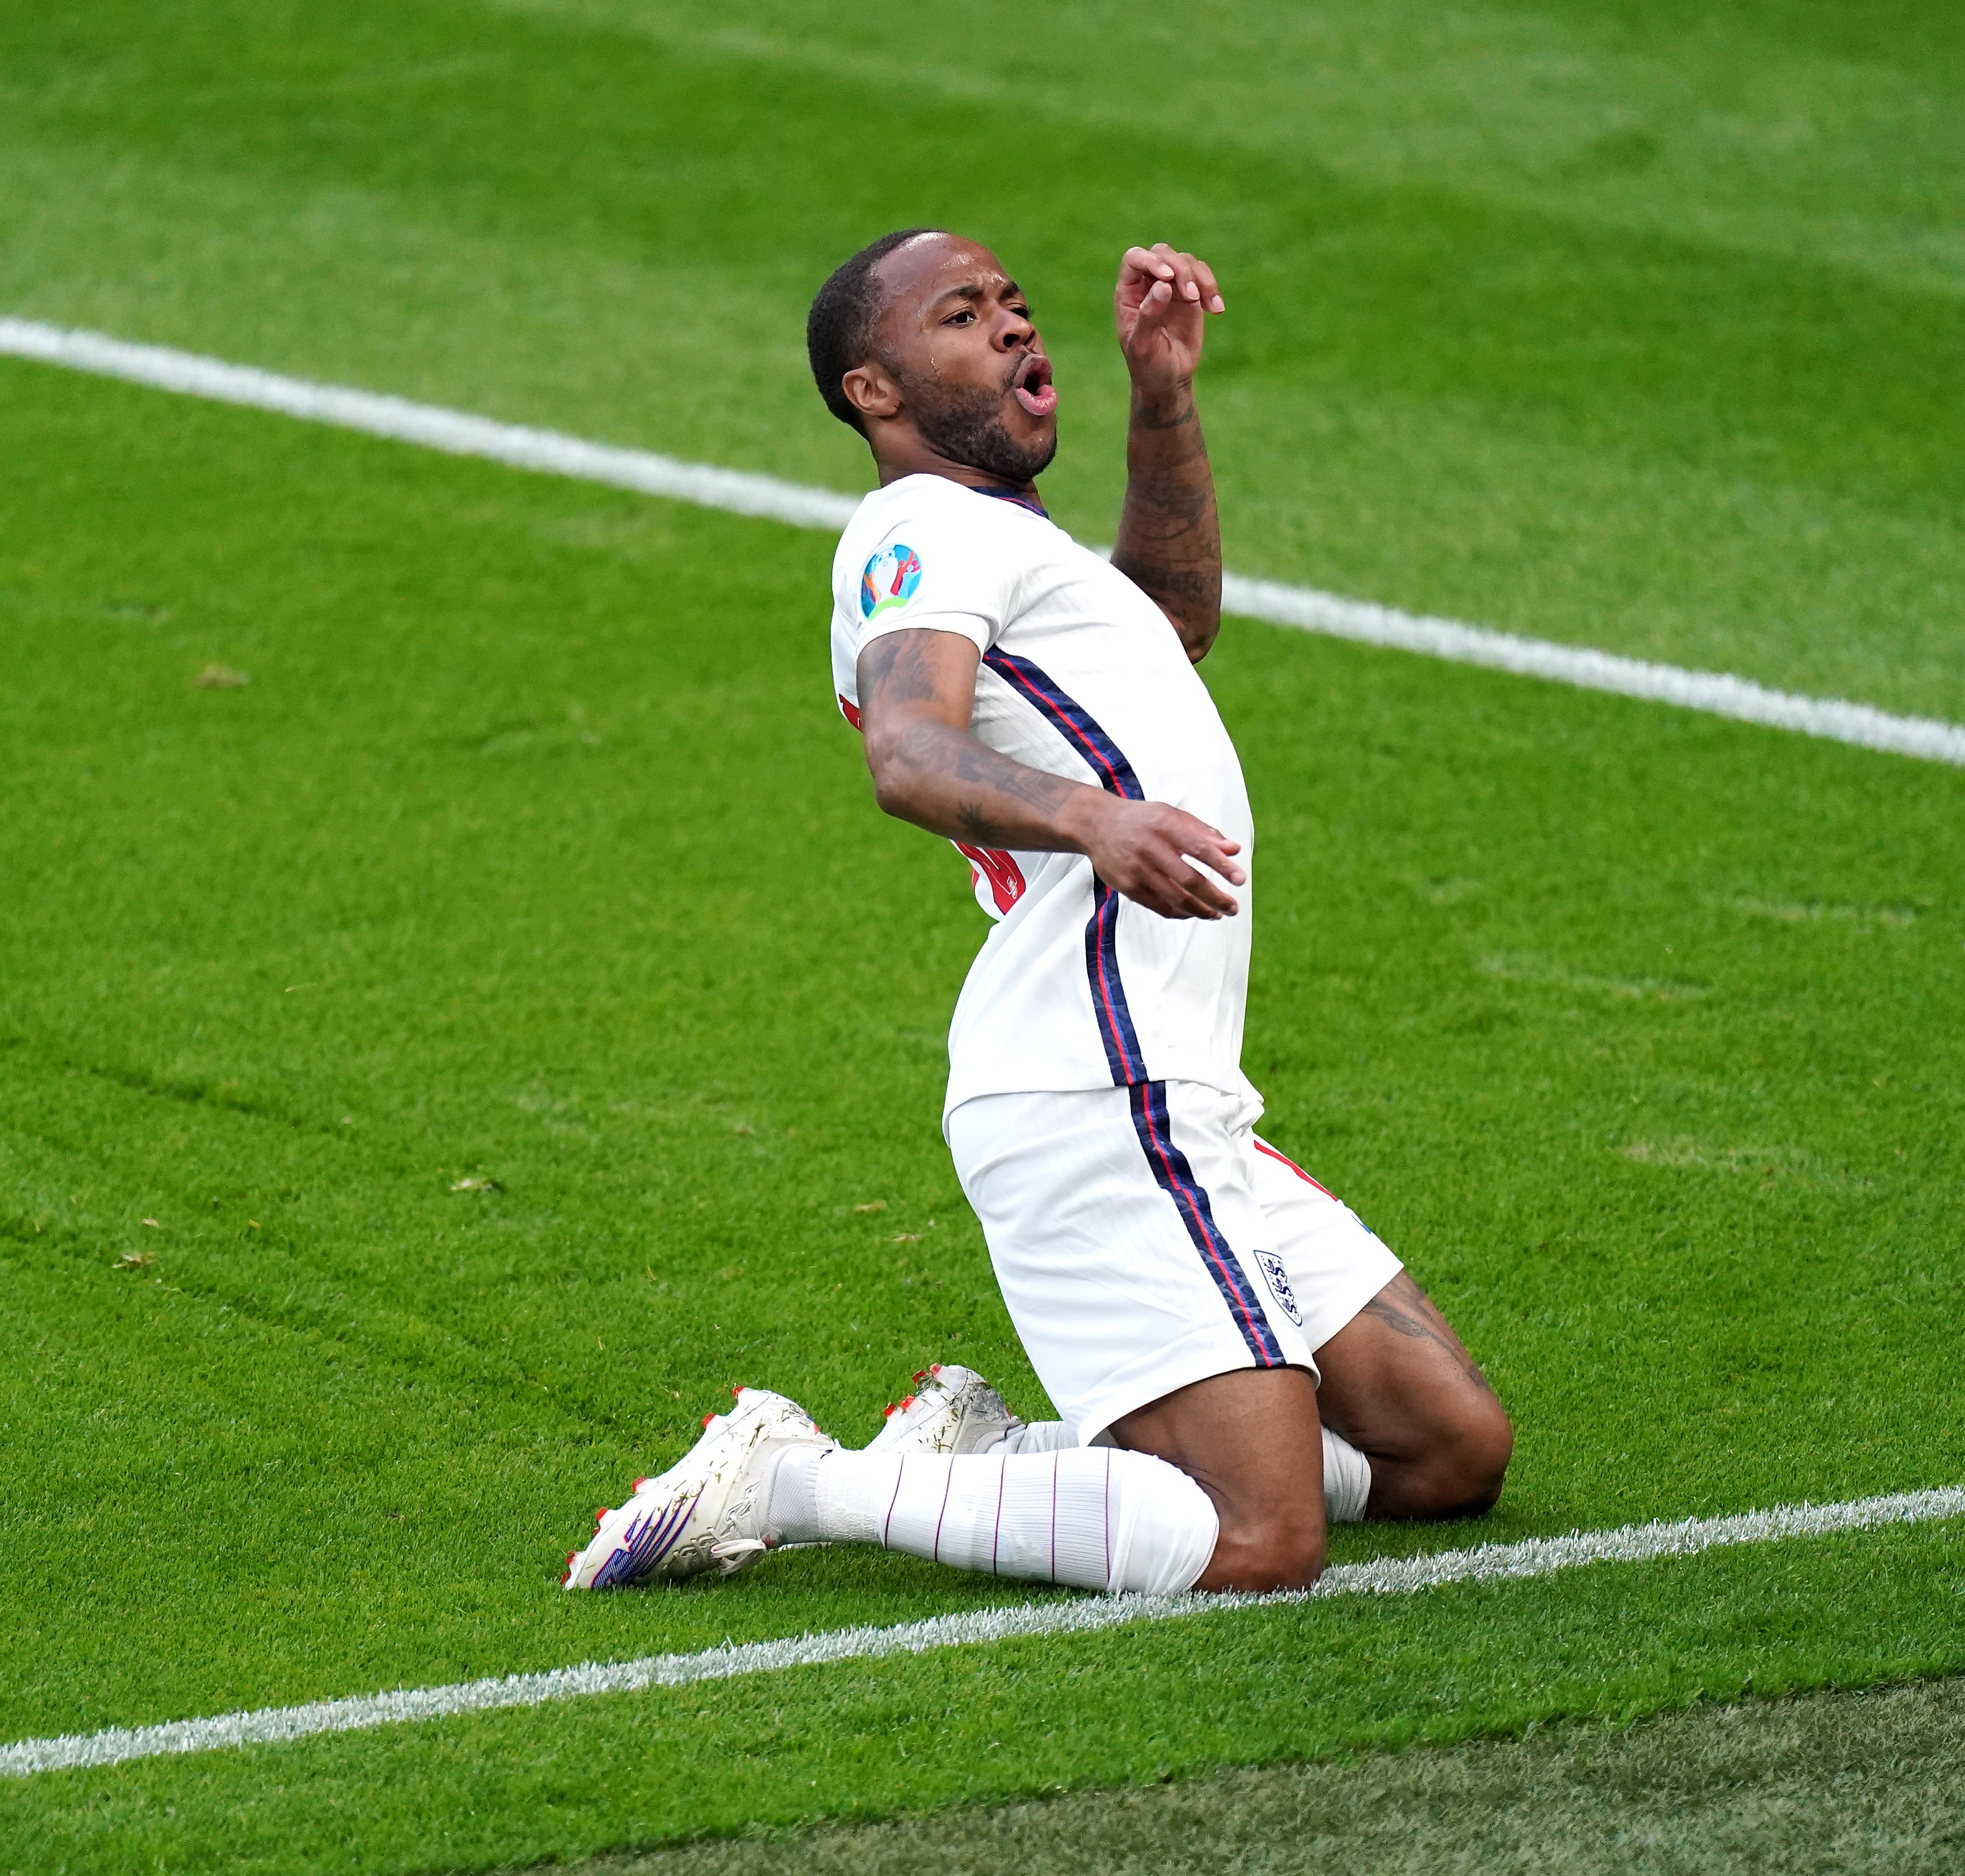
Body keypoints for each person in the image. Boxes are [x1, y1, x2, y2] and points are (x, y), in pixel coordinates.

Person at [564, 230, 1512, 1597]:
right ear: (873, 391)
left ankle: (984, 1462)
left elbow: (1171, 623)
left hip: (1179, 1089)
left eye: (1013, 304)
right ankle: (792, 1478)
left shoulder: (1010, 542)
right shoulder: (916, 530)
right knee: (1257, 1543)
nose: (1014, 327)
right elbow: (906, 750)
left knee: (1441, 1455)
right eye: (961, 316)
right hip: (1088, 1082)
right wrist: (1092, 818)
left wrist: (1165, 402)